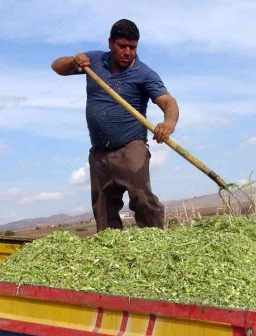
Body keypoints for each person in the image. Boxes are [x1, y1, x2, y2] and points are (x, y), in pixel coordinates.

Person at [51, 19, 179, 232]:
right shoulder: (93, 61)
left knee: (142, 198)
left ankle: (156, 241)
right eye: (122, 46)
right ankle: (113, 253)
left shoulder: (144, 74)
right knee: (103, 209)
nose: (128, 52)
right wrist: (74, 61)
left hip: (131, 147)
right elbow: (57, 66)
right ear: (110, 43)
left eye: (133, 47)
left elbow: (168, 102)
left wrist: (169, 122)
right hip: (99, 152)